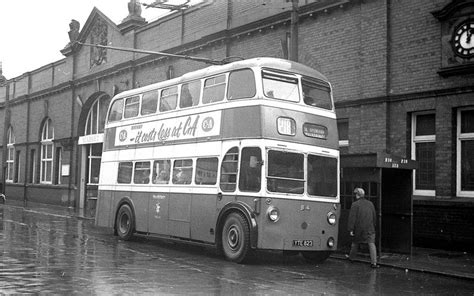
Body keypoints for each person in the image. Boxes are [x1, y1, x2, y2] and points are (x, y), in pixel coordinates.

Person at [347, 188, 380, 268]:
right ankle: (374, 263)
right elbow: (374, 216)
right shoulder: (370, 204)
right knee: (371, 244)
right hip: (370, 228)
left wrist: (351, 229)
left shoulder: (355, 204)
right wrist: (373, 225)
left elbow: (352, 218)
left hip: (359, 228)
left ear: (357, 195)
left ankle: (351, 258)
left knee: (355, 243)